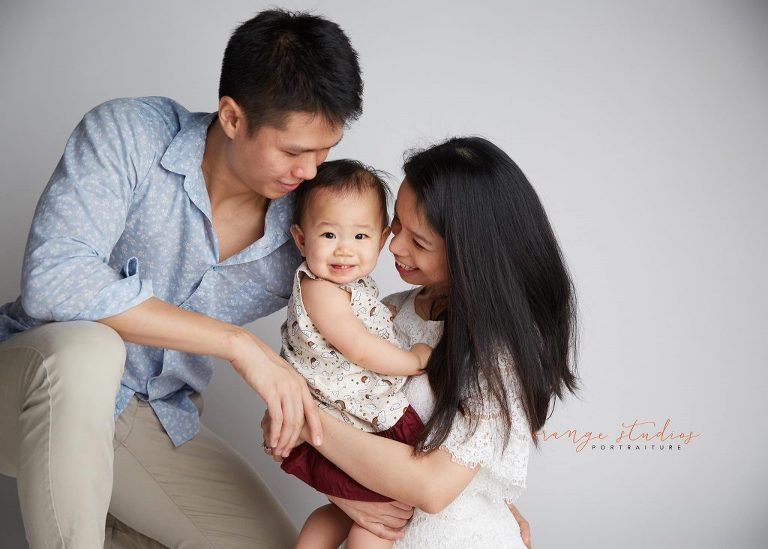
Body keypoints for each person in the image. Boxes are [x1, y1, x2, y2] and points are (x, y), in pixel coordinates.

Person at [0, 9, 370, 548]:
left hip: (154, 419)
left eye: (324, 151)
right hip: (32, 391)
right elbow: (54, 279)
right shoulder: (130, 133)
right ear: (233, 117)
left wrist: (476, 493)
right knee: (90, 349)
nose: (310, 171)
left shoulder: (307, 225)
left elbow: (374, 328)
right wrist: (236, 343)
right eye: (294, 151)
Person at [263, 136, 577, 547]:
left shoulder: (499, 353)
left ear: (469, 253)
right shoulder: (384, 311)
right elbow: (280, 422)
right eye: (395, 225)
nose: (393, 246)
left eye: (419, 240)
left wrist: (305, 420)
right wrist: (344, 496)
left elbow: (431, 488)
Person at [276, 159, 432, 548]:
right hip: (350, 422)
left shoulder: (352, 289)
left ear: (380, 240)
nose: (344, 249)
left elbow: (360, 323)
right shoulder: (320, 288)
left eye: (360, 237)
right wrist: (413, 360)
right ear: (300, 239)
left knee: (343, 515)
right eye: (328, 234)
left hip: (343, 419)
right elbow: (359, 347)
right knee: (381, 522)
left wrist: (382, 316)